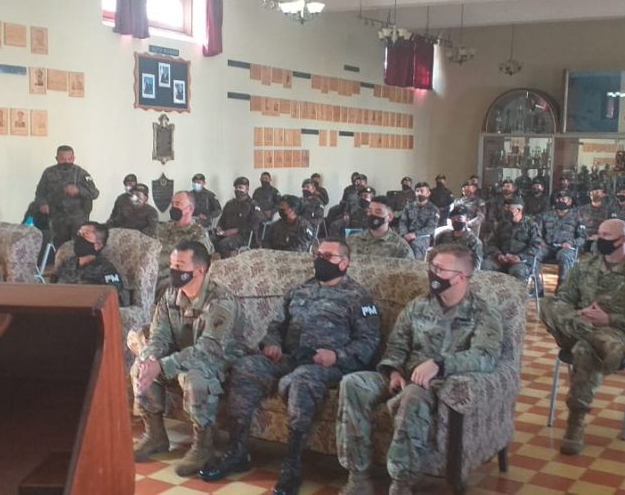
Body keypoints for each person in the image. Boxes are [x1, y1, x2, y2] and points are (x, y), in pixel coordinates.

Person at [200, 239, 380, 495]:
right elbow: (276, 325)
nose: (319, 259)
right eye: (318, 254)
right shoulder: (300, 290)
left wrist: (336, 355)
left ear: (344, 263)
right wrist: (272, 343)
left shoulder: (358, 297)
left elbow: (368, 342)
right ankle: (237, 451)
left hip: (328, 366)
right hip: (290, 357)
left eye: (327, 256)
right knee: (247, 366)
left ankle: (292, 465)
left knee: (301, 380)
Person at [337, 244, 502, 495]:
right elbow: (397, 345)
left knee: (413, 396)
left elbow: (485, 356)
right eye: (432, 267)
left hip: (438, 386)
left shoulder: (483, 314)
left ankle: (401, 483)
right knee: (352, 383)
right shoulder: (418, 305)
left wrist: (440, 364)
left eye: (440, 269)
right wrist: (393, 371)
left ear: (460, 277)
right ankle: (358, 477)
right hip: (403, 376)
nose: (433, 273)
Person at [539, 219, 625, 455]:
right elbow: (563, 299)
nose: (598, 239)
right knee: (547, 304)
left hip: (619, 337)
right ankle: (588, 334)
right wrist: (578, 314)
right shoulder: (585, 266)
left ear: (622, 240)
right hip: (578, 326)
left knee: (585, 350)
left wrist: (609, 319)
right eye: (598, 234)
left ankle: (575, 422)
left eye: (605, 236)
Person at [134, 241, 244, 476]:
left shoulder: (221, 300)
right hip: (184, 354)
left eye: (180, 266)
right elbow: (159, 335)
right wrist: (150, 358)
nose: (173, 270)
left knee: (194, 378)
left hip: (220, 360)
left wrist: (163, 365)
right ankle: (155, 435)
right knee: (141, 365)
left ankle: (203, 446)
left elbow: (208, 349)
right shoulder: (171, 295)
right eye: (172, 264)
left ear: (200, 270)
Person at [34, 145, 100, 249]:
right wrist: (43, 204)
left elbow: (95, 193)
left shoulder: (81, 173)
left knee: (78, 248)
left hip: (78, 219)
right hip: (57, 218)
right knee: (59, 248)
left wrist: (78, 190)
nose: (66, 162)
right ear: (56, 158)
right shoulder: (49, 173)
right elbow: (40, 193)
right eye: (62, 159)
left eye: (69, 159)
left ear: (73, 158)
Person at [53, 221, 128, 307]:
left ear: (98, 245)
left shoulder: (105, 270)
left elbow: (114, 300)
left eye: (84, 235)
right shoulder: (68, 263)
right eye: (79, 234)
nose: (78, 239)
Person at [482, 200, 542, 281]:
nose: (506, 211)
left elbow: (536, 246)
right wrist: (498, 255)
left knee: (517, 271)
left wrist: (520, 257)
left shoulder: (531, 225)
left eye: (509, 208)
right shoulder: (501, 225)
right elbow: (491, 243)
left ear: (519, 210)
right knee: (485, 266)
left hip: (522, 262)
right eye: (506, 208)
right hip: (502, 260)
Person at [537, 191, 586, 286]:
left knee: (564, 256)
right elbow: (537, 233)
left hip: (567, 248)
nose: (560, 201)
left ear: (570, 201)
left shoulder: (577, 217)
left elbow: (582, 238)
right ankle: (537, 286)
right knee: (535, 254)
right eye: (558, 199)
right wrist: (541, 241)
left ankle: (562, 288)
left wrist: (571, 243)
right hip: (548, 247)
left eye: (563, 199)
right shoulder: (546, 215)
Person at [347, 197, 414, 260]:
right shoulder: (352, 240)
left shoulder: (400, 247)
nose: (372, 215)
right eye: (369, 211)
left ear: (390, 217)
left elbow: (409, 267)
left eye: (378, 212)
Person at [213, 177, 262, 258]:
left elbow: (254, 225)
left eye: (240, 187)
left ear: (247, 189)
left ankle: (227, 264)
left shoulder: (253, 205)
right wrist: (219, 227)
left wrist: (236, 230)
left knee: (223, 244)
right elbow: (222, 219)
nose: (237, 190)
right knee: (210, 240)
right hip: (226, 232)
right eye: (236, 187)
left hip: (243, 236)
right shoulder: (230, 204)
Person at [157, 191, 214, 257]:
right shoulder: (164, 227)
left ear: (190, 208)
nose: (173, 207)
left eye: (178, 204)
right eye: (172, 204)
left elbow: (196, 259)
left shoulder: (198, 233)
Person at [398, 182, 439, 260]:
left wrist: (415, 234)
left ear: (428, 193)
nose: (419, 193)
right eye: (417, 191)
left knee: (416, 245)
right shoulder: (409, 207)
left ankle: (417, 266)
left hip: (423, 236)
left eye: (422, 191)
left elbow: (431, 228)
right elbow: (403, 222)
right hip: (406, 235)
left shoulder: (433, 209)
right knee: (396, 244)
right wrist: (404, 234)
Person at [576, 185, 613, 252]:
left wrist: (599, 236)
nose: (594, 195)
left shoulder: (609, 211)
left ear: (603, 194)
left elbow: (611, 228)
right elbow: (578, 225)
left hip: (601, 239)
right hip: (584, 238)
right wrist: (585, 236)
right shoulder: (582, 210)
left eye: (597, 192)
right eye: (592, 193)